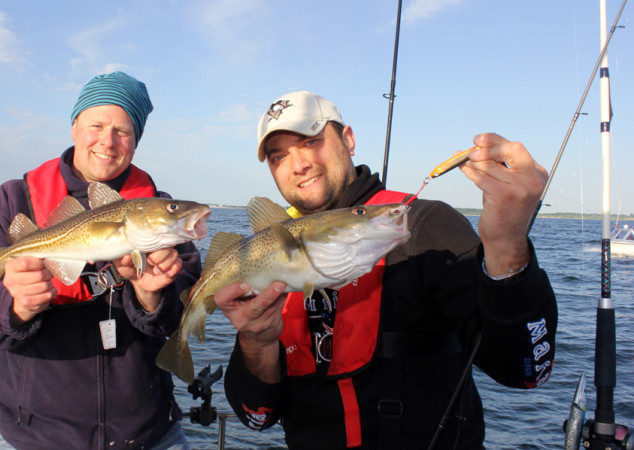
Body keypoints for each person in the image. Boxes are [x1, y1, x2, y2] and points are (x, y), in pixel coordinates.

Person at [214, 91, 557, 449]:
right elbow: (258, 416)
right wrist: (257, 342)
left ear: (348, 139)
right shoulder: (268, 256)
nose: (297, 165)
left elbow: (525, 370)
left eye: (311, 142)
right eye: (278, 157)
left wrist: (506, 247)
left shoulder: (424, 224)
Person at [0, 71, 199, 449]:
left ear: (137, 141)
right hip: (34, 436)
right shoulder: (12, 201)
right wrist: (12, 305)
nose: (108, 142)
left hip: (149, 435)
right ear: (74, 127)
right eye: (96, 125)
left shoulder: (161, 218)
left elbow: (192, 311)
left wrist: (152, 299)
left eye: (124, 131)